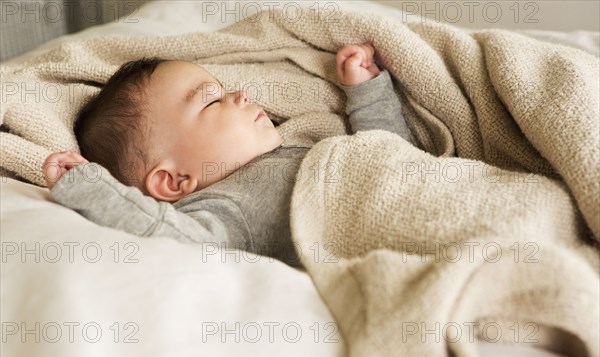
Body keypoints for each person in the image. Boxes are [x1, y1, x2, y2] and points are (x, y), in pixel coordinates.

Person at [43, 44, 419, 268]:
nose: (239, 94)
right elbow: (173, 237)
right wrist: (91, 187)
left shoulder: (298, 146)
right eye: (212, 101)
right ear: (173, 181)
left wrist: (367, 92)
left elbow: (391, 157)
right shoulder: (225, 208)